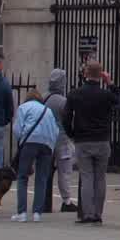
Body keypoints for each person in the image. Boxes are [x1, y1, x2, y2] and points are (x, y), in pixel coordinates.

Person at [65, 60, 119, 224]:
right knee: (100, 178)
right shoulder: (106, 94)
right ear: (101, 74)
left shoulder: (75, 94)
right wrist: (110, 83)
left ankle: (87, 214)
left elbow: (66, 117)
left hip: (83, 139)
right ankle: (98, 213)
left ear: (85, 74)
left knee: (86, 177)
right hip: (102, 139)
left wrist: (72, 134)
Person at [10, 88, 59, 222]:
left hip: (30, 142)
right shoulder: (47, 110)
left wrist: (21, 142)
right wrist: (51, 146)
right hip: (46, 144)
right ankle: (37, 212)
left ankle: (22, 213)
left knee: (22, 176)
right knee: (41, 178)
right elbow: (55, 131)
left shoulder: (23, 108)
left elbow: (17, 128)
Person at [43, 68, 74, 216]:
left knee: (45, 171)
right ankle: (66, 201)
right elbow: (69, 120)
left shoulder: (43, 98)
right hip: (62, 139)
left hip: (46, 140)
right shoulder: (64, 101)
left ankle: (43, 200)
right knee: (65, 172)